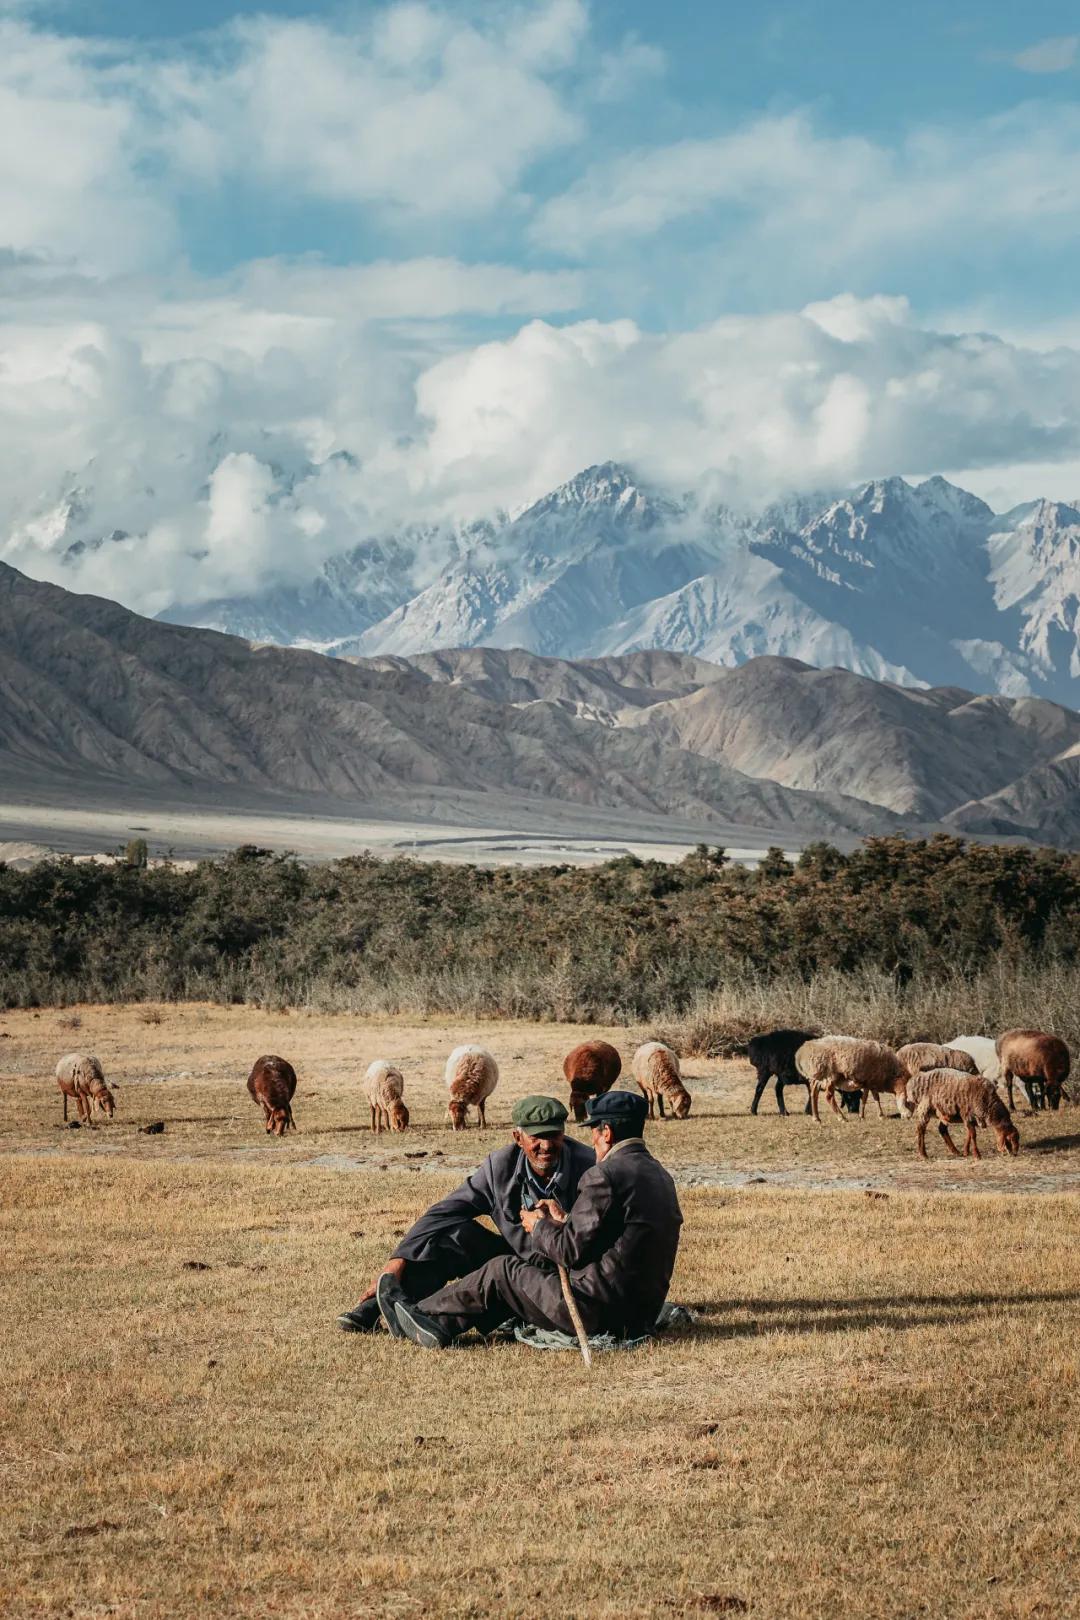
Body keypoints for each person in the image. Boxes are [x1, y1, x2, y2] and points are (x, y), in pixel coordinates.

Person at [376, 1088, 683, 1350]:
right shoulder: (660, 1174)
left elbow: (568, 1251)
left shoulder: (603, 1174)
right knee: (478, 1249)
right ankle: (399, 1311)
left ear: (606, 1132)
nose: (591, 1140)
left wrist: (539, 1226)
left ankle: (425, 1319)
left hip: (595, 1309)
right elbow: (614, 1239)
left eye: (593, 1130)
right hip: (638, 1313)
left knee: (502, 1270)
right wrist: (565, 1219)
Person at [336, 1094, 595, 1332]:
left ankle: (424, 1317)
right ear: (517, 1138)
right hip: (517, 1261)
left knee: (499, 1269)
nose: (547, 1145)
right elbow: (444, 1212)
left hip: (561, 1276)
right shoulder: (499, 1168)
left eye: (553, 1135)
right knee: (454, 1235)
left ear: (564, 1133)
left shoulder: (590, 1166)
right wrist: (396, 1262)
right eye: (536, 1137)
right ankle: (378, 1307)